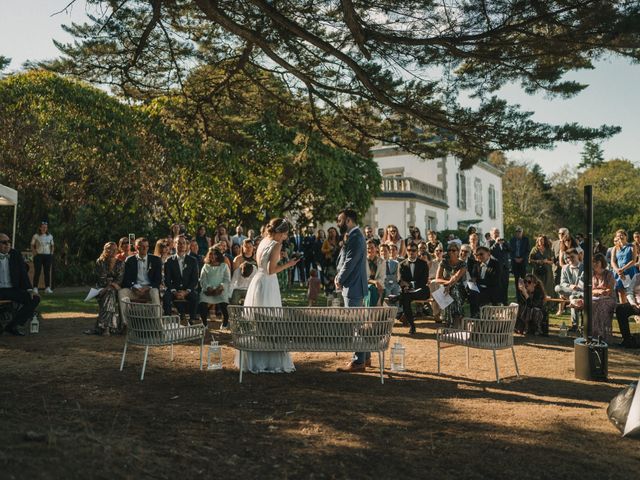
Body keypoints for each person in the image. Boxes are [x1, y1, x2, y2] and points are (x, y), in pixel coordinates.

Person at [235, 218, 299, 373]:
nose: (286, 236)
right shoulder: (276, 244)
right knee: (270, 321)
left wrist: (278, 258)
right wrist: (288, 264)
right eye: (285, 233)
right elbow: (272, 270)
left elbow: (263, 264)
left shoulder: (264, 241)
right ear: (281, 232)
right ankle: (269, 361)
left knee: (258, 321)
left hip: (258, 281)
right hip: (268, 283)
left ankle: (255, 359)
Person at [335, 209, 369, 372]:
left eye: (340, 220)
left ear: (348, 220)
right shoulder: (353, 236)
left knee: (356, 325)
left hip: (353, 286)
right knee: (359, 323)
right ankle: (366, 357)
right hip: (355, 285)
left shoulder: (356, 236)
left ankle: (358, 361)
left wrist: (339, 279)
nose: (338, 223)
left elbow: (350, 261)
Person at [0, 233, 40, 336]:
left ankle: (12, 325)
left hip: (12, 289)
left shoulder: (15, 254)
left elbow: (23, 273)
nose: (7, 244)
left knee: (34, 299)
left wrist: (30, 290)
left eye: (9, 242)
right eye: (4, 242)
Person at [85, 242, 124, 335]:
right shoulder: (100, 261)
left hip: (112, 289)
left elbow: (119, 279)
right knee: (109, 295)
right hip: (101, 289)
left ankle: (102, 327)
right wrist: (109, 286)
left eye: (115, 249)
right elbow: (102, 279)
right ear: (105, 250)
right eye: (110, 249)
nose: (112, 251)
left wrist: (108, 287)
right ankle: (110, 328)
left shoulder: (120, 263)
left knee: (109, 293)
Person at [392, 244, 430, 334]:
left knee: (405, 296)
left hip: (421, 290)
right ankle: (412, 325)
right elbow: (399, 279)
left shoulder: (423, 264)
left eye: (413, 250)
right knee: (406, 298)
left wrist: (410, 284)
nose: (411, 252)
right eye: (409, 250)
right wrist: (404, 285)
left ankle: (398, 297)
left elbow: (424, 280)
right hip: (407, 291)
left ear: (417, 252)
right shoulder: (402, 264)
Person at [163, 235, 200, 323]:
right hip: (174, 289)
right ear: (174, 245)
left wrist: (186, 292)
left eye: (184, 243)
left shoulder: (193, 260)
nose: (182, 245)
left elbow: (195, 279)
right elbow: (167, 280)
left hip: (187, 289)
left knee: (195, 296)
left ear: (187, 245)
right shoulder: (169, 261)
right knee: (166, 297)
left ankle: (192, 319)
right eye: (179, 243)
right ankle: (168, 320)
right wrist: (175, 292)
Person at [118, 237, 162, 307]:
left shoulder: (155, 260)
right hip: (135, 289)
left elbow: (158, 280)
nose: (145, 248)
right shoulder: (130, 260)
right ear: (136, 247)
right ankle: (125, 318)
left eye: (147, 246)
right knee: (122, 292)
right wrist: (134, 287)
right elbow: (126, 279)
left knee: (154, 292)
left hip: (149, 290)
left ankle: (157, 317)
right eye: (142, 246)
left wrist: (148, 287)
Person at [435, 243, 467, 328]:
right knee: (447, 292)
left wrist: (448, 285)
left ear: (458, 252)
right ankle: (455, 318)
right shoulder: (443, 262)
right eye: (449, 250)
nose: (451, 252)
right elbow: (437, 278)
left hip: (459, 288)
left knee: (454, 290)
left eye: (453, 250)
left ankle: (450, 322)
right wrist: (447, 285)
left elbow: (456, 278)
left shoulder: (462, 264)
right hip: (445, 287)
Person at [199, 247, 231, 328]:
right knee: (202, 302)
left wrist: (220, 287)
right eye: (210, 254)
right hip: (208, 290)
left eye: (214, 254)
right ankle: (204, 323)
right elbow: (202, 279)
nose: (212, 256)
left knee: (224, 304)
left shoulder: (224, 266)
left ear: (218, 255)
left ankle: (225, 323)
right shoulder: (206, 266)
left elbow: (227, 279)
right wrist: (208, 288)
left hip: (220, 289)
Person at [555, 248, 584, 332]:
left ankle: (576, 326)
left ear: (577, 256)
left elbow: (585, 282)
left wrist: (577, 288)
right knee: (557, 287)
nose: (569, 259)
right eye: (567, 258)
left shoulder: (584, 267)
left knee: (573, 297)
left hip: (582, 291)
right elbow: (562, 283)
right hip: (570, 289)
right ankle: (575, 325)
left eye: (572, 257)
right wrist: (570, 286)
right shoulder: (565, 268)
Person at [590, 254, 617, 343]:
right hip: (595, 298)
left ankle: (603, 335)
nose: (594, 264)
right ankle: (593, 333)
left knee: (601, 305)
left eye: (597, 262)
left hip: (609, 298)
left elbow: (609, 289)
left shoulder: (609, 273)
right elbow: (589, 289)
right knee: (592, 304)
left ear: (602, 262)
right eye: (593, 262)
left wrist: (598, 291)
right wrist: (598, 291)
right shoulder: (592, 274)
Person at [468, 246, 501, 318]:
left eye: (481, 254)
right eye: (477, 255)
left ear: (488, 253)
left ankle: (479, 317)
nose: (479, 256)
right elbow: (474, 276)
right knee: (472, 293)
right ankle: (474, 317)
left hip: (491, 289)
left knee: (476, 295)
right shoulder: (477, 264)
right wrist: (473, 280)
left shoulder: (496, 264)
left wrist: (477, 281)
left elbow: (494, 281)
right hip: (478, 289)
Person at [611, 229, 638, 303]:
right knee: (621, 292)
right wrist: (618, 270)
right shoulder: (615, 248)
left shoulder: (632, 246)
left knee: (632, 293)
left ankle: (635, 309)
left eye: (622, 235)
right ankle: (624, 311)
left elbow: (633, 261)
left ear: (626, 236)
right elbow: (612, 261)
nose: (620, 237)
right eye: (618, 236)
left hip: (630, 271)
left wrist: (622, 269)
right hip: (619, 273)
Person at [529, 235, 555, 304]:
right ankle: (537, 302)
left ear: (544, 241)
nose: (541, 241)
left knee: (547, 286)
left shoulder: (549, 249)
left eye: (542, 240)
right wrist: (537, 261)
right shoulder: (534, 249)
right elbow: (530, 260)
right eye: (539, 240)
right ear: (537, 241)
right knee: (537, 286)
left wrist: (546, 261)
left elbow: (552, 262)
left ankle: (549, 304)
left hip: (547, 270)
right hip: (537, 270)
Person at [30, 221, 54, 294]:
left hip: (47, 256)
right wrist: (35, 253)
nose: (44, 228)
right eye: (43, 227)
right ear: (40, 228)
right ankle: (35, 288)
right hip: (38, 256)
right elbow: (32, 245)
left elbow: (52, 245)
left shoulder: (50, 236)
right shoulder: (36, 236)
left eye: (46, 227)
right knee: (37, 271)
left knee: (47, 272)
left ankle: (47, 288)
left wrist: (51, 253)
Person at [615, 281, 640, 348]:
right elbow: (629, 292)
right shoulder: (637, 277)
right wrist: (633, 303)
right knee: (621, 309)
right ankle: (627, 339)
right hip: (636, 304)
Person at [489, 228, 510, 304]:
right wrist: (496, 243)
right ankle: (496, 302)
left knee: (505, 285)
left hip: (505, 267)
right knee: (497, 285)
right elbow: (490, 251)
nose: (497, 234)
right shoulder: (490, 242)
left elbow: (509, 249)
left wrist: (504, 243)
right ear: (492, 234)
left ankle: (505, 301)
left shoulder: (504, 241)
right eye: (495, 233)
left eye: (498, 232)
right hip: (496, 267)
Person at [509, 226, 530, 302]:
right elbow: (510, 251)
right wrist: (515, 258)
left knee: (523, 279)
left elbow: (527, 251)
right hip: (515, 262)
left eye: (519, 232)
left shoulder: (526, 240)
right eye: (517, 232)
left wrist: (522, 258)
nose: (518, 233)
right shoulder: (512, 240)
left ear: (522, 232)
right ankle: (518, 297)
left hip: (523, 262)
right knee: (517, 280)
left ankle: (524, 295)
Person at [365, 240, 385, 306]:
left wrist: (377, 283)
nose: (370, 250)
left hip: (378, 285)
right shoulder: (362, 261)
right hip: (365, 285)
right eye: (368, 248)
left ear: (376, 248)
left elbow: (382, 277)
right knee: (371, 289)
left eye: (372, 248)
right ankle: (371, 311)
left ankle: (375, 312)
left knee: (383, 290)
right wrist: (374, 282)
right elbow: (363, 278)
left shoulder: (381, 261)